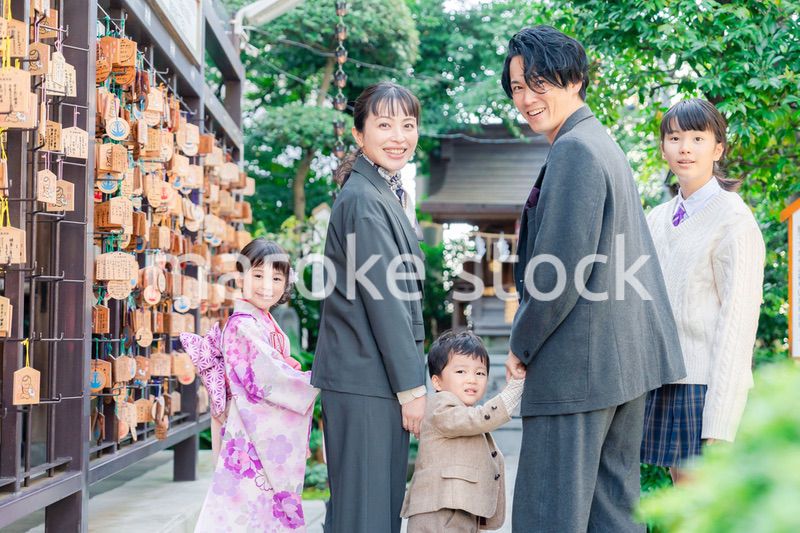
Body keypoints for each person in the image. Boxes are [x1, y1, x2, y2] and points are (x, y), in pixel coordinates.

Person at [500, 26, 686, 532]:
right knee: (611, 514)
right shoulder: (598, 142)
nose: (527, 98)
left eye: (539, 82)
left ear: (575, 79)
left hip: (578, 370)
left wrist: (521, 343)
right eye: (517, 87)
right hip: (619, 367)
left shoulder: (576, 150)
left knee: (549, 514)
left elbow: (560, 271)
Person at [312, 82, 427, 533]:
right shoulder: (364, 199)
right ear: (360, 134)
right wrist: (412, 389)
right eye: (384, 124)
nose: (399, 135)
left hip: (368, 377)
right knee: (366, 513)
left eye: (408, 124)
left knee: (368, 508)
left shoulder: (381, 191)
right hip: (367, 379)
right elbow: (385, 300)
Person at [641, 98, 765, 482]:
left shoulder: (734, 219)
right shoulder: (656, 219)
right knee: (683, 507)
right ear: (662, 147)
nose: (685, 148)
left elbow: (738, 324)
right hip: (661, 380)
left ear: (718, 148)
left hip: (705, 386)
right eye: (675, 137)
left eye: (697, 137)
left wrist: (721, 420)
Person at [181, 239, 318, 531]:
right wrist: (314, 381)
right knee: (248, 509)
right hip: (249, 430)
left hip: (252, 428)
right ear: (240, 276)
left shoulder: (261, 320)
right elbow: (268, 379)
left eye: (276, 278)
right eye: (257, 275)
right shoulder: (243, 324)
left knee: (253, 510)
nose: (267, 285)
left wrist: (288, 367)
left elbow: (274, 367)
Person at [401, 330, 524, 532]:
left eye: (480, 373)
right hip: (439, 512)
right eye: (461, 372)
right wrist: (513, 390)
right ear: (437, 381)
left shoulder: (462, 412)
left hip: (459, 510)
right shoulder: (439, 407)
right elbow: (476, 419)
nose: (472, 379)